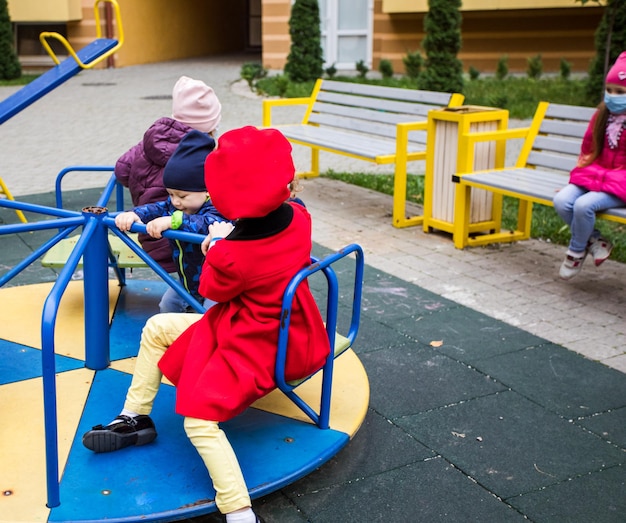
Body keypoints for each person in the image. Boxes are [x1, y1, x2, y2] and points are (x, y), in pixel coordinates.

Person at [83, 126, 331, 523]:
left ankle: (238, 508)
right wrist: (223, 241)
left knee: (199, 421)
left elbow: (212, 286)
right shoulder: (299, 217)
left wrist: (215, 245)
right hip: (293, 329)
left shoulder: (233, 254)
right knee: (158, 327)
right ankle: (136, 418)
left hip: (254, 343)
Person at [115, 75, 222, 276]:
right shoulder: (206, 157)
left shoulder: (152, 137)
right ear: (210, 127)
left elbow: (121, 171)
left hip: (147, 234)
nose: (175, 200)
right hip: (180, 242)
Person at [115, 130, 226, 312]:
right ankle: (173, 339)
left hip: (216, 285)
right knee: (168, 304)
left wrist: (174, 221)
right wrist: (135, 215)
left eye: (182, 195)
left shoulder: (218, 206)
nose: (175, 201)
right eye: (171, 194)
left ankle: (210, 340)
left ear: (207, 190)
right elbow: (157, 208)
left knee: (210, 315)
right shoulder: (177, 205)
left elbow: (207, 223)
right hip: (188, 281)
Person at [553, 51, 626, 280]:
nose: (612, 96)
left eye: (620, 92)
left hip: (621, 183)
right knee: (563, 200)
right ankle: (595, 240)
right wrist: (578, 181)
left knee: (584, 206)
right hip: (595, 176)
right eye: (609, 90)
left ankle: (575, 252)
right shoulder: (601, 116)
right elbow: (588, 151)